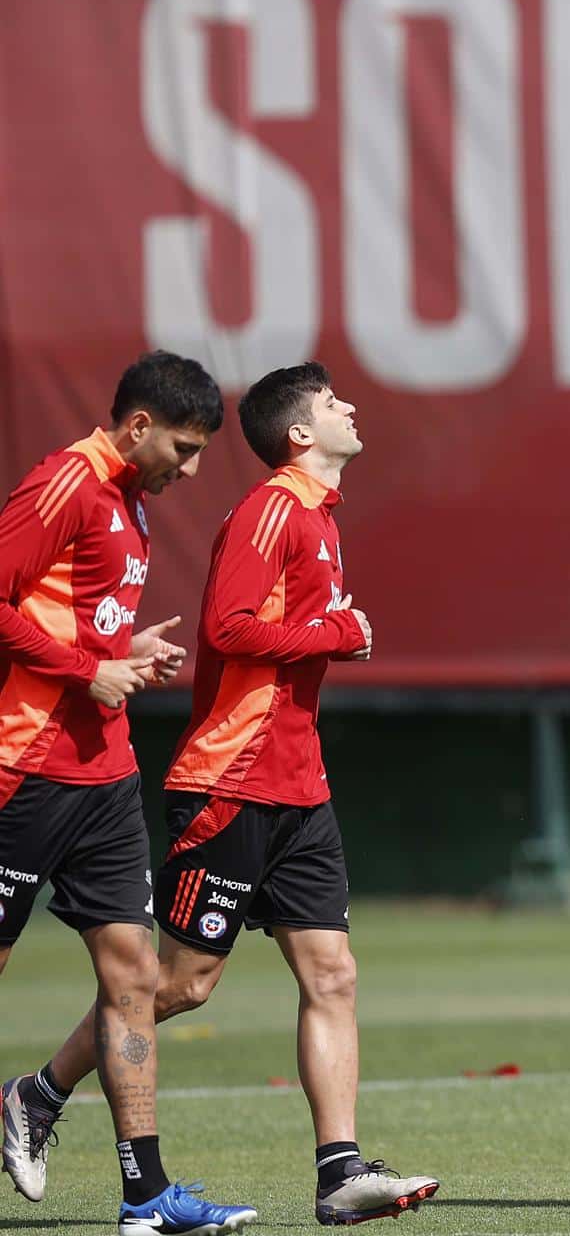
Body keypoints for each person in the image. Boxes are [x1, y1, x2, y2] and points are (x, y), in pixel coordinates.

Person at [18, 363, 436, 1225]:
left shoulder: (316, 516)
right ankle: (40, 1095)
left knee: (332, 973)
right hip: (231, 780)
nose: (351, 406)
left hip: (297, 781)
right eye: (331, 403)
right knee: (179, 984)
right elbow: (229, 628)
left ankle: (339, 1172)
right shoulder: (271, 509)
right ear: (300, 435)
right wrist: (336, 632)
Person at [0, 350, 259, 1235]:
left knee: (134, 978)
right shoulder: (65, 482)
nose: (189, 470)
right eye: (182, 449)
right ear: (137, 425)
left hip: (104, 776)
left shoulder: (132, 506)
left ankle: (146, 1199)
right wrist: (87, 668)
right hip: (21, 769)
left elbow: (74, 620)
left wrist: (124, 653)